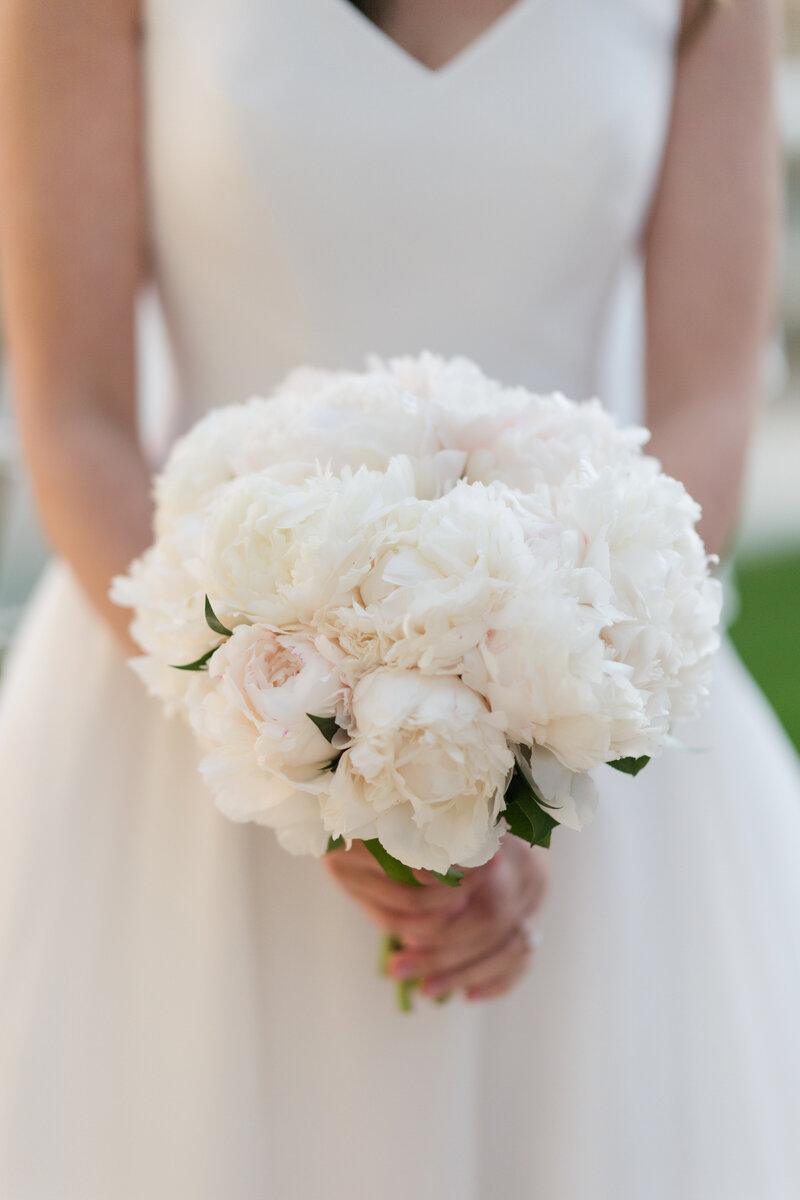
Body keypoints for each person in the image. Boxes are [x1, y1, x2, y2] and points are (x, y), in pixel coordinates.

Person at [0, 0, 797, 1196]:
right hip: (188, 722)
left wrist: (512, 765)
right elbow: (75, 416)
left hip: (585, 721)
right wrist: (306, 753)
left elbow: (703, 408)